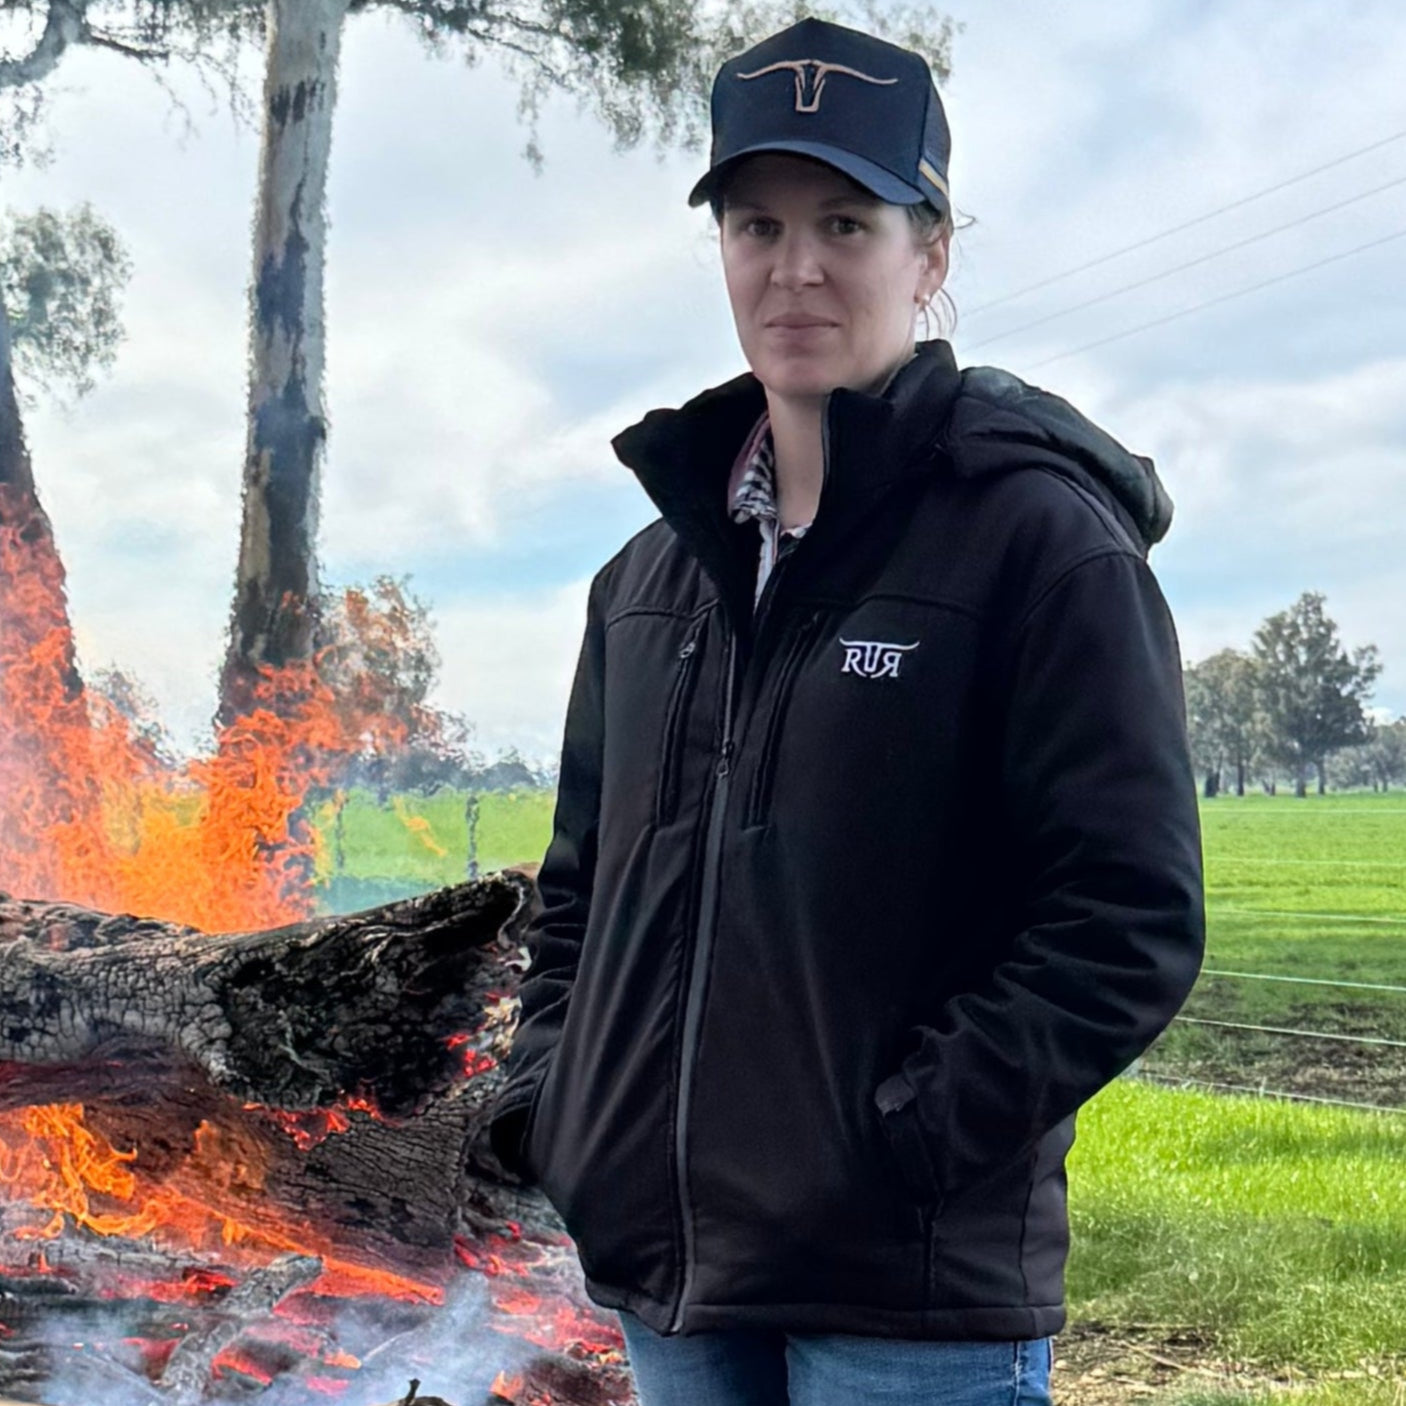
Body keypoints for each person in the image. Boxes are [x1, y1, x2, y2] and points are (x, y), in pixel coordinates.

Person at [487, 16, 1205, 1405]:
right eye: (755, 224)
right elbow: (576, 891)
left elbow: (1126, 916)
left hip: (905, 1295)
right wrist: (555, 1105)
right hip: (672, 1278)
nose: (795, 267)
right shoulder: (642, 587)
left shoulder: (1040, 549)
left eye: (845, 222)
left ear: (928, 253)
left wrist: (911, 1136)